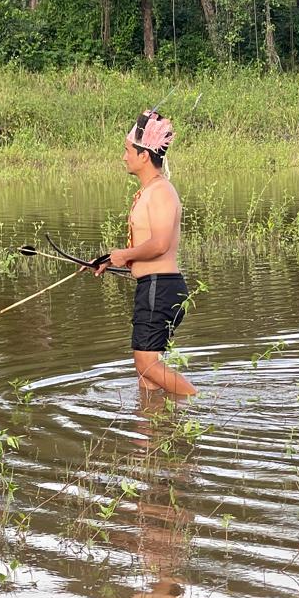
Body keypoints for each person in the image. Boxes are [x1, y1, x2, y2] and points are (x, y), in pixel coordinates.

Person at [93, 109, 197, 396]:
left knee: (147, 363)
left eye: (127, 151)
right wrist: (108, 261)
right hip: (151, 286)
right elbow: (147, 246)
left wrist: (125, 255)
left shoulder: (161, 191)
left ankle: (199, 405)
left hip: (160, 287)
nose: (124, 157)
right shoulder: (150, 191)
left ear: (144, 155)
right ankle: (151, 431)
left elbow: (161, 244)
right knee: (146, 373)